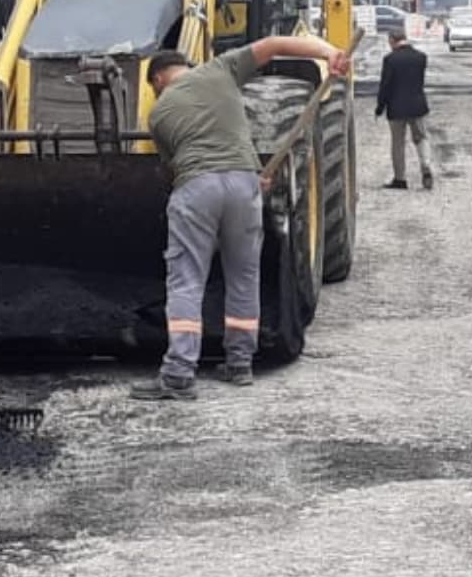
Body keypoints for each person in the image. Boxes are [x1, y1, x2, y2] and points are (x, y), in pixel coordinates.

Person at [134, 35, 351, 400]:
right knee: (243, 275)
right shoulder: (220, 68)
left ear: (157, 80)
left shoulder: (159, 114)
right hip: (245, 184)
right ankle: (239, 363)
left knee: (187, 281)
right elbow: (274, 43)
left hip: (197, 187)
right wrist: (329, 53)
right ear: (185, 67)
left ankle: (178, 374)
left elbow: (174, 171)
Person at [376, 29, 433, 191]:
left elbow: (385, 86)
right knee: (421, 138)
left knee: (398, 143)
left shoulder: (390, 60)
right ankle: (425, 165)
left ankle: (400, 179)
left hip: (396, 107)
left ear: (393, 40)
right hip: (417, 105)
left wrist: (380, 107)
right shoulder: (421, 57)